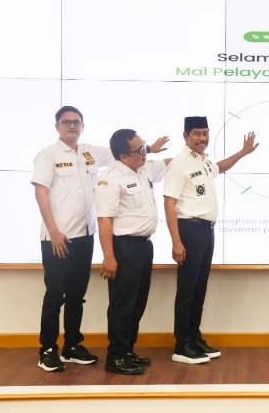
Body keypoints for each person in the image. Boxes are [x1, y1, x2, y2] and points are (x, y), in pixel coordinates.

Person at [163, 116, 258, 364]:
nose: (202, 138)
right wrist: (176, 241)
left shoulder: (203, 160)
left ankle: (193, 338)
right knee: (187, 289)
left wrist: (243, 152)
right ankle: (182, 345)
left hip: (206, 231)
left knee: (199, 288)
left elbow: (220, 167)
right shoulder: (179, 164)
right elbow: (169, 203)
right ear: (185, 136)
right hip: (189, 230)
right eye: (197, 133)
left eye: (205, 133)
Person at [31, 106, 114, 372]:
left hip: (85, 236)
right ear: (57, 126)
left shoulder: (90, 152)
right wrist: (54, 232)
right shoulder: (48, 155)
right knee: (55, 295)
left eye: (76, 122)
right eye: (66, 122)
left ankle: (72, 345)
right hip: (58, 238)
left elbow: (119, 151)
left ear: (83, 126)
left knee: (77, 295)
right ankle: (47, 349)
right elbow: (41, 193)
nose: (72, 126)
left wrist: (149, 148)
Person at [94, 129, 171, 375]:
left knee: (137, 302)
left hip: (143, 246)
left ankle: (128, 350)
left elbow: (169, 162)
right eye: (140, 149)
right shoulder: (110, 179)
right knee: (123, 303)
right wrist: (109, 257)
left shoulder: (142, 168)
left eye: (144, 146)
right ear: (123, 156)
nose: (145, 152)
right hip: (123, 247)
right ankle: (116, 356)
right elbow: (104, 220)